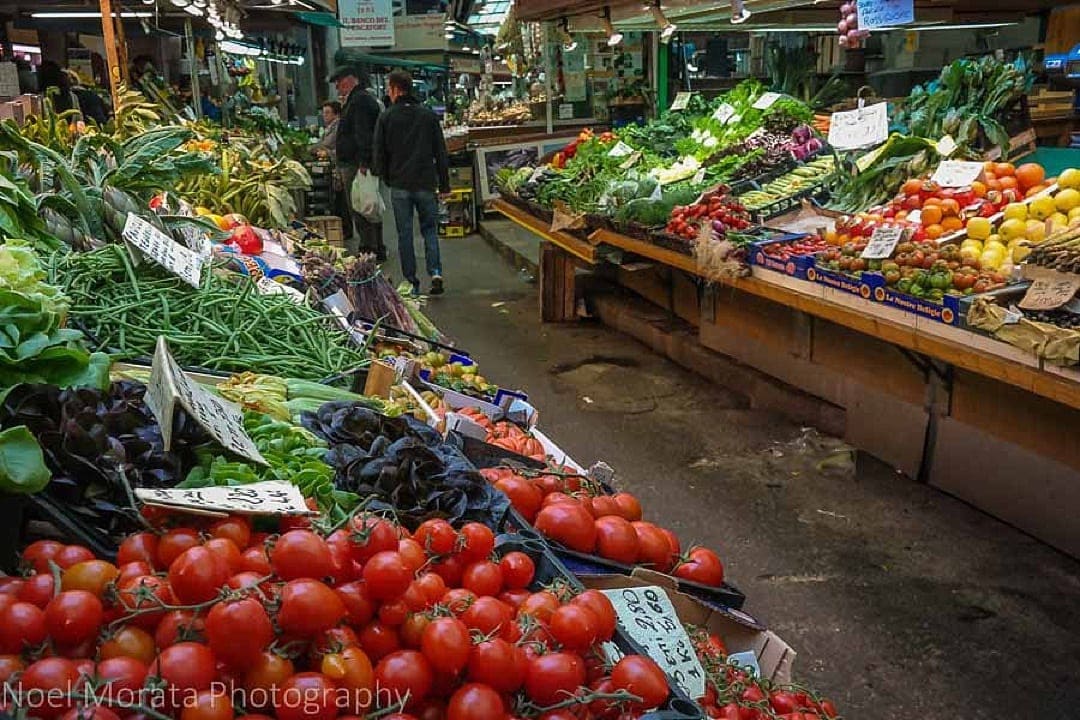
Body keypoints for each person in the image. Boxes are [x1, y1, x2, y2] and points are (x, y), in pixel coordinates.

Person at [373, 70, 450, 296]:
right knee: (429, 230)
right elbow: (441, 152)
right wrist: (444, 184)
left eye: (389, 88)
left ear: (396, 89)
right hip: (426, 183)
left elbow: (379, 153)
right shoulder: (428, 116)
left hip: (400, 185)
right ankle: (435, 272)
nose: (388, 93)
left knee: (404, 234)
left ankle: (411, 282)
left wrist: (387, 178)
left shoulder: (386, 117)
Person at [331, 65, 384, 260]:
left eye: (339, 83)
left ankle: (369, 247)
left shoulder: (359, 101)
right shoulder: (359, 99)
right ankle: (375, 245)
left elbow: (363, 134)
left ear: (350, 80)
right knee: (369, 205)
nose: (338, 88)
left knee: (361, 205)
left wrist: (364, 161)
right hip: (357, 162)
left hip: (356, 164)